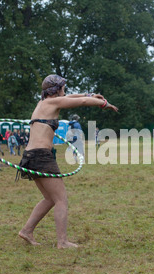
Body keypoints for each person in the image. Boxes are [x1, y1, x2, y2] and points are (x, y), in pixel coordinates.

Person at [17, 74, 118, 249]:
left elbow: (72, 98)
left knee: (49, 198)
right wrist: (103, 104)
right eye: (63, 87)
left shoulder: (43, 103)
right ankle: (62, 242)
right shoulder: (52, 103)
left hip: (30, 156)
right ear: (56, 89)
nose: (65, 90)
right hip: (41, 156)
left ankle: (27, 231)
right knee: (61, 200)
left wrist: (90, 94)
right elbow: (82, 103)